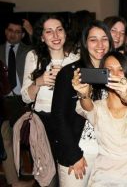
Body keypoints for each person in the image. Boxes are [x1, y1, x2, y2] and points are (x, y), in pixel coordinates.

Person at [72, 51, 127, 186]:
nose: (115, 75)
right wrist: (83, 94)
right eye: (109, 71)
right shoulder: (99, 107)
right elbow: (87, 108)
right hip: (105, 177)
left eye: (121, 70)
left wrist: (126, 95)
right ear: (102, 75)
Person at [51, 20, 114, 187]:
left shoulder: (115, 72)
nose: (100, 44)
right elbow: (59, 116)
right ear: (85, 43)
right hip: (80, 153)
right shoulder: (70, 73)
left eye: (104, 39)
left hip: (108, 155)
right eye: (93, 39)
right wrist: (74, 155)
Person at [21, 13, 80, 187]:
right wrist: (39, 82)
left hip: (68, 122)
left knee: (68, 172)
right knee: (47, 176)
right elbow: (25, 96)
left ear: (65, 33)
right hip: (43, 122)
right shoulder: (33, 57)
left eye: (59, 30)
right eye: (49, 31)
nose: (55, 35)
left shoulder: (75, 57)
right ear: (42, 36)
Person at [0, 16, 33, 187]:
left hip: (23, 99)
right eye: (10, 30)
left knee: (23, 137)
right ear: (5, 31)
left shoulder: (28, 50)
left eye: (17, 32)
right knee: (7, 139)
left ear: (22, 34)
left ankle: (20, 168)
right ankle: (14, 177)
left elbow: (44, 51)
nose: (13, 35)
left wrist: (31, 32)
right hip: (4, 100)